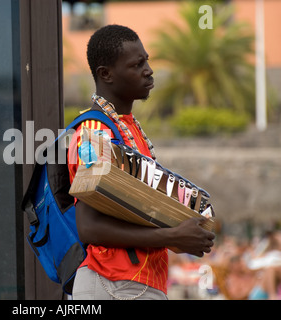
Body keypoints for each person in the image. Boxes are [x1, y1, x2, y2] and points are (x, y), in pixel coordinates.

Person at [67, 24, 215, 300]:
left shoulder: (125, 127)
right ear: (105, 74)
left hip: (130, 284)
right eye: (137, 64)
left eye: (146, 60)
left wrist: (182, 233)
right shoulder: (94, 133)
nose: (148, 70)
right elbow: (88, 227)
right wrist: (171, 237)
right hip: (114, 283)